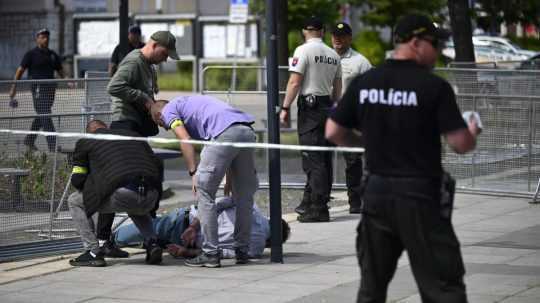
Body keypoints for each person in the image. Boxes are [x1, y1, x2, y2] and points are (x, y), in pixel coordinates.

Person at [326, 14, 481, 303]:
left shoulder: (365, 82)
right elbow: (460, 143)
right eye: (436, 44)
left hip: (376, 195)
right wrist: (472, 131)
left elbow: (334, 131)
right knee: (443, 287)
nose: (438, 52)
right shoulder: (433, 87)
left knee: (371, 288)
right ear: (417, 42)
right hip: (420, 195)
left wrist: (365, 143)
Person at [150, 95, 259, 268]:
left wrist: (194, 172)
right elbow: (228, 146)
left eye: (159, 123)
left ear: (159, 117)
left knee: (204, 193)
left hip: (224, 134)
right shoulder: (191, 104)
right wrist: (230, 178)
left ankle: (210, 253)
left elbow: (185, 140)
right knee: (244, 197)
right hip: (245, 130)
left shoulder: (168, 111)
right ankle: (242, 251)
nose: (163, 126)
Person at [99, 30, 179, 258]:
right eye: (165, 53)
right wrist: (144, 100)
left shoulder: (148, 66)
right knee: (119, 180)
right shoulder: (135, 61)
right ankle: (105, 240)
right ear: (154, 45)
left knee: (150, 174)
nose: (166, 59)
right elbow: (113, 87)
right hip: (124, 126)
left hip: (137, 128)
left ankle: (149, 238)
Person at [67, 120, 164, 267]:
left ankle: (93, 252)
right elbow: (157, 164)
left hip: (123, 193)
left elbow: (77, 180)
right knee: (134, 204)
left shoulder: (86, 141)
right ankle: (152, 243)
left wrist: (93, 183)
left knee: (74, 201)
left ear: (89, 132)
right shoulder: (133, 136)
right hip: (151, 194)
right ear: (106, 128)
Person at [279, 16, 342, 222]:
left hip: (310, 108)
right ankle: (311, 202)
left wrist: (285, 107)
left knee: (312, 159)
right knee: (324, 158)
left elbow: (295, 82)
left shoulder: (303, 50)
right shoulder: (333, 55)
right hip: (327, 106)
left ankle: (318, 208)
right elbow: (338, 88)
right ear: (322, 31)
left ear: (305, 31)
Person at [113, 196, 291, 259]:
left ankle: (110, 240)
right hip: (188, 244)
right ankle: (143, 243)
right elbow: (220, 253)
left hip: (186, 220)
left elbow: (213, 204)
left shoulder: (250, 206)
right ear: (271, 244)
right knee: (147, 233)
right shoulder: (256, 249)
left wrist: (193, 227)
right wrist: (184, 252)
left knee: (148, 229)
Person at [331, 22, 372, 214]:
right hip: (325, 115)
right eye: (334, 35)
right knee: (319, 160)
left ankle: (355, 201)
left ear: (350, 38)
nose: (337, 39)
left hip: (351, 119)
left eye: (342, 35)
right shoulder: (325, 57)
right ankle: (319, 200)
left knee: (353, 161)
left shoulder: (360, 62)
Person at [9, 28, 67, 152]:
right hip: (38, 90)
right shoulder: (31, 54)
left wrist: (70, 81)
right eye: (42, 37)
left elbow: (60, 71)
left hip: (51, 90)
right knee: (46, 115)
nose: (45, 39)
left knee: (42, 115)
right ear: (37, 39)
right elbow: (20, 71)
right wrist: (13, 87)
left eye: (47, 37)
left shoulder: (52, 55)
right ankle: (53, 147)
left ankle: (29, 140)